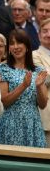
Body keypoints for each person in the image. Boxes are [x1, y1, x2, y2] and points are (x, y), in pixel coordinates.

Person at [0, 29, 47, 147]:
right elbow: (5, 102)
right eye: (12, 44)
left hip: (32, 123)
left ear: (27, 46)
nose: (15, 47)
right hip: (11, 123)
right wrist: (23, 86)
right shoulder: (3, 69)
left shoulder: (38, 71)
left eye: (19, 43)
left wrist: (38, 87)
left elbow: (43, 105)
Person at [32, 18, 50, 147]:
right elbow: (44, 80)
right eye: (45, 31)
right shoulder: (34, 56)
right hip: (46, 119)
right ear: (39, 35)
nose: (48, 34)